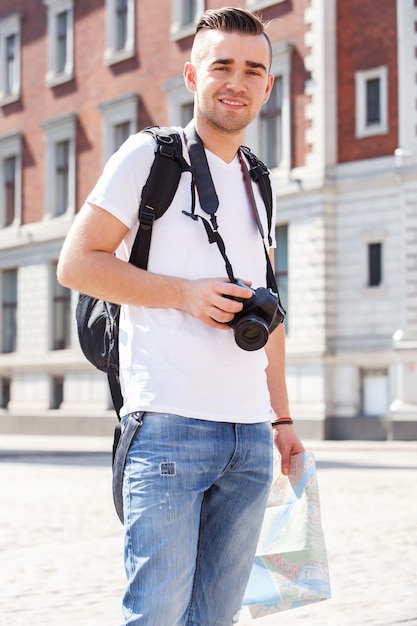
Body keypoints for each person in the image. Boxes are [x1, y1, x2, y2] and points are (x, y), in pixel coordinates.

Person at [58, 7, 304, 625]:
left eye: (253, 70)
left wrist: (282, 418)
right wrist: (186, 294)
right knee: (156, 615)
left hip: (248, 438)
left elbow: (269, 315)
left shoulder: (258, 181)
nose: (237, 81)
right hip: (167, 425)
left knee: (214, 619)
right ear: (193, 77)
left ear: (268, 86)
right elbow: (77, 264)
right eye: (221, 65)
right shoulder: (150, 156)